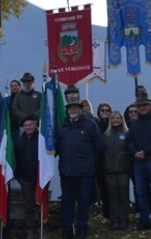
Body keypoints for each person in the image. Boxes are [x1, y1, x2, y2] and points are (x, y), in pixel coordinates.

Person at [56, 98, 105, 239]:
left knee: (83, 203)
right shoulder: (62, 126)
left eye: (76, 108)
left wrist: (87, 161)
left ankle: (82, 229)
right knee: (67, 203)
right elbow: (58, 146)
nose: (73, 110)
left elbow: (99, 146)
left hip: (84, 172)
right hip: (66, 172)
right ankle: (67, 229)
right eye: (70, 108)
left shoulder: (90, 125)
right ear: (67, 110)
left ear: (81, 109)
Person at [127, 91, 151, 231]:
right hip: (138, 162)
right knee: (140, 191)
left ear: (150, 105)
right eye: (140, 105)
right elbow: (129, 141)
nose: (142, 107)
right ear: (137, 108)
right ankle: (145, 220)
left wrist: (145, 151)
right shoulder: (134, 124)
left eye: (145, 105)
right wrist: (135, 152)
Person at [102, 110, 131, 230]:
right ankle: (114, 219)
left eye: (118, 118)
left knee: (123, 196)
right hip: (109, 170)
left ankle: (124, 219)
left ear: (122, 119)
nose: (115, 120)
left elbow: (130, 152)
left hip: (123, 170)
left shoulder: (127, 133)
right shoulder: (106, 135)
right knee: (112, 196)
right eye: (113, 118)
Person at [13, 116, 40, 239]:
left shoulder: (42, 139)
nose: (28, 127)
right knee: (29, 205)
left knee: (41, 203)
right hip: (25, 178)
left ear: (35, 125)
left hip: (40, 177)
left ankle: (41, 227)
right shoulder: (19, 141)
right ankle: (31, 230)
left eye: (30, 125)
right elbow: (16, 160)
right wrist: (19, 177)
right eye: (26, 126)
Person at [94, 103, 113, 225]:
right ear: (98, 112)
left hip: (114, 161)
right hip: (100, 163)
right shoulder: (96, 126)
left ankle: (118, 214)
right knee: (104, 190)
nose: (105, 112)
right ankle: (107, 215)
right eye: (102, 110)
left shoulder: (115, 125)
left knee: (115, 190)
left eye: (107, 110)